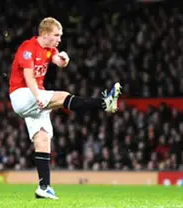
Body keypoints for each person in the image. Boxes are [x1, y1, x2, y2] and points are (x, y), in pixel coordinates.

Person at [8, 17, 122, 200]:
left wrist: (64, 59)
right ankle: (103, 103)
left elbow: (59, 62)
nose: (59, 39)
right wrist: (38, 97)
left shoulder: (49, 49)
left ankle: (44, 187)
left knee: (43, 139)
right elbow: (28, 77)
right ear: (44, 34)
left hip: (34, 99)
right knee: (62, 96)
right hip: (22, 95)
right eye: (56, 35)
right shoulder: (27, 48)